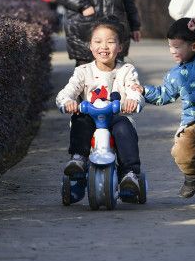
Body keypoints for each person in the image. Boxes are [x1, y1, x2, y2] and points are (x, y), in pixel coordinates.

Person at [133, 18, 195, 208]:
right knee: (181, 152)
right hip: (192, 123)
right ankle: (192, 176)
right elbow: (164, 95)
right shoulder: (175, 74)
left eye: (177, 46)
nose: (172, 51)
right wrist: (144, 91)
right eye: (170, 46)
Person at [55, 18, 144, 193]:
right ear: (90, 46)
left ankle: (130, 173)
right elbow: (67, 92)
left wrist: (133, 101)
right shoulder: (83, 71)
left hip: (116, 117)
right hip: (90, 117)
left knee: (124, 128)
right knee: (80, 120)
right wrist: (68, 102)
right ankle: (79, 158)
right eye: (98, 42)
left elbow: (135, 89)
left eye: (110, 42)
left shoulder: (126, 70)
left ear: (120, 47)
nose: (104, 47)